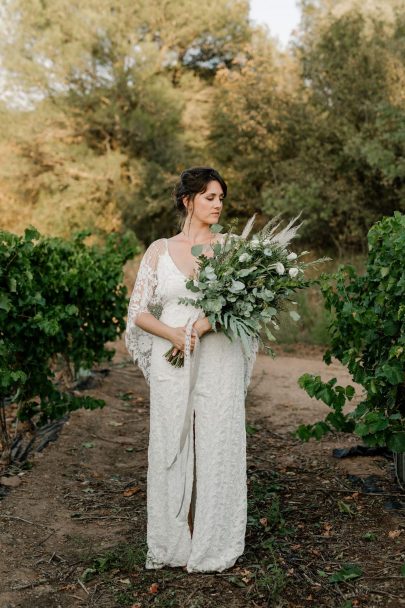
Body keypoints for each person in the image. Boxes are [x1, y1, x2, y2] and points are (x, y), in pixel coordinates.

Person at [125, 166, 258, 573]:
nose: (218, 204)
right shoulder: (159, 250)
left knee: (219, 439)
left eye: (221, 198)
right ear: (188, 201)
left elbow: (247, 303)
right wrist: (174, 334)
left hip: (219, 354)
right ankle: (171, 543)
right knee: (171, 442)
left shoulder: (232, 248)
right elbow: (138, 312)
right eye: (210, 197)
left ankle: (214, 544)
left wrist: (203, 324)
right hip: (173, 355)